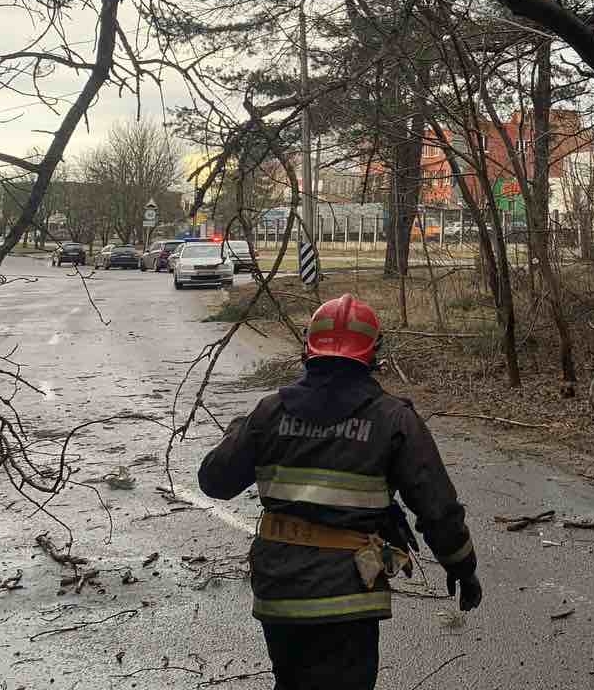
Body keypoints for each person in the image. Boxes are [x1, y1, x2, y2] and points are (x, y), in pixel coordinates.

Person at [199, 294, 482, 689]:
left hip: (279, 593)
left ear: (307, 350)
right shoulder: (394, 419)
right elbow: (438, 509)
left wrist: (237, 432)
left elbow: (214, 481)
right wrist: (462, 568)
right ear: (373, 356)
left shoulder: (269, 412)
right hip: (348, 599)